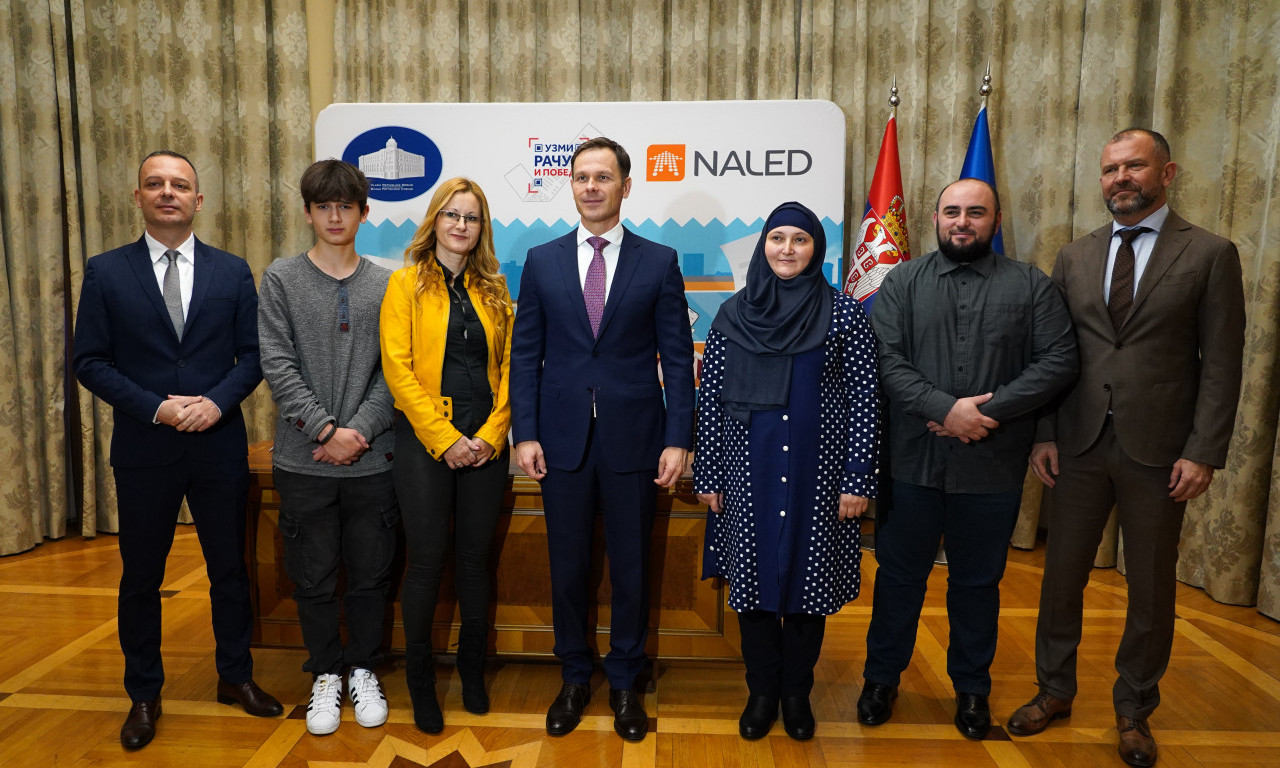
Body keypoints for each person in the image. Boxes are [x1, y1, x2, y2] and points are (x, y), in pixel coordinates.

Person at [1008, 129, 1246, 768]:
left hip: (1162, 452)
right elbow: (1051, 356)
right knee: (1061, 578)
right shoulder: (1074, 256)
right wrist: (1045, 432)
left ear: (1166, 173)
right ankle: (1054, 690)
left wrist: (1204, 450)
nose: (1120, 178)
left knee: (1150, 587)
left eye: (1134, 166)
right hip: (1078, 445)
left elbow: (1222, 364)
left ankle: (1135, 710)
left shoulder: (1209, 253)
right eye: (1110, 169)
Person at [73, 150, 283, 750]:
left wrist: (216, 403)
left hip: (218, 444)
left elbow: (254, 356)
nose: (168, 192)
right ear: (138, 197)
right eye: (155, 184)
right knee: (142, 576)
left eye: (180, 185)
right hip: (146, 446)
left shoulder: (232, 271)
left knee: (230, 571)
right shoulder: (106, 272)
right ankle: (144, 693)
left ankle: (235, 676)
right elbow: (90, 361)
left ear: (198, 200)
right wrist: (156, 407)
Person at [859, 178, 1078, 740]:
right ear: (935, 219)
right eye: (952, 211)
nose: (962, 222)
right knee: (899, 579)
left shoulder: (1030, 284)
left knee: (978, 584)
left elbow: (1058, 359)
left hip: (992, 465)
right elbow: (885, 360)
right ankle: (881, 680)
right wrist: (944, 409)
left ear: (995, 220)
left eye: (975, 212)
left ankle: (972, 690)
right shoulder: (902, 282)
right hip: (911, 462)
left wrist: (985, 413)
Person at [509, 136, 695, 742]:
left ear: (625, 186)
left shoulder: (659, 261)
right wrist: (525, 432)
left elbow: (677, 357)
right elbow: (525, 354)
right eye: (582, 177)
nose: (591, 187)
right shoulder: (541, 260)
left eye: (603, 177)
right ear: (571, 185)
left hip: (636, 441)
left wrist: (678, 438)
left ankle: (624, 681)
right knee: (568, 567)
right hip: (559, 442)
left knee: (631, 568)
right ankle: (573, 676)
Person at [694, 202, 878, 742]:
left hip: (818, 479)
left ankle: (796, 693)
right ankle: (762, 692)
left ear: (816, 249)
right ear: (764, 246)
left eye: (800, 239)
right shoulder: (732, 315)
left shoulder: (844, 314)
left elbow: (866, 401)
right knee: (752, 588)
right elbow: (711, 400)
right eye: (778, 238)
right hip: (744, 473)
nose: (788, 248)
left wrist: (857, 479)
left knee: (807, 588)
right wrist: (709, 474)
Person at [258, 159, 397, 736]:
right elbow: (276, 362)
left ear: (364, 213)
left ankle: (363, 668)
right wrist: (324, 431)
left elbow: (395, 371)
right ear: (308, 212)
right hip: (303, 461)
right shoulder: (281, 278)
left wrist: (357, 433)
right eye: (323, 207)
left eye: (345, 206)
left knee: (370, 575)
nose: (335, 216)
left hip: (373, 461)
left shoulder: (388, 284)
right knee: (312, 577)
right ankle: (324, 673)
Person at [380, 177, 514, 734]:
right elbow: (397, 370)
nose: (461, 225)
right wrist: (446, 438)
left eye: (472, 217)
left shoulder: (495, 290)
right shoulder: (405, 284)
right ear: (434, 220)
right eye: (452, 214)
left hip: (485, 444)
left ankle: (472, 671)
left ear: (482, 229)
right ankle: (420, 682)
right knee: (427, 560)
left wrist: (490, 435)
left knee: (476, 561)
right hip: (425, 442)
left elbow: (510, 370)